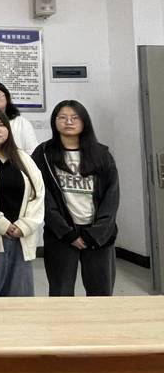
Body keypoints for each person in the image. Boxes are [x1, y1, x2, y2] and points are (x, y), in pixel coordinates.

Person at [31, 100, 119, 297]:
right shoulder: (43, 154)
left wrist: (95, 234)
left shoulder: (102, 154)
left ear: (84, 121)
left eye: (74, 117)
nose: (68, 122)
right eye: (62, 117)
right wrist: (67, 233)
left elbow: (111, 198)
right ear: (54, 122)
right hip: (61, 235)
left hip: (98, 235)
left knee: (101, 293)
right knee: (60, 292)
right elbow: (41, 195)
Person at [0, 107, 44, 297]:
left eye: (1, 125)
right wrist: (2, 225)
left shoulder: (21, 157)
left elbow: (38, 194)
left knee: (20, 296)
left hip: (21, 236)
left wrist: (24, 225)